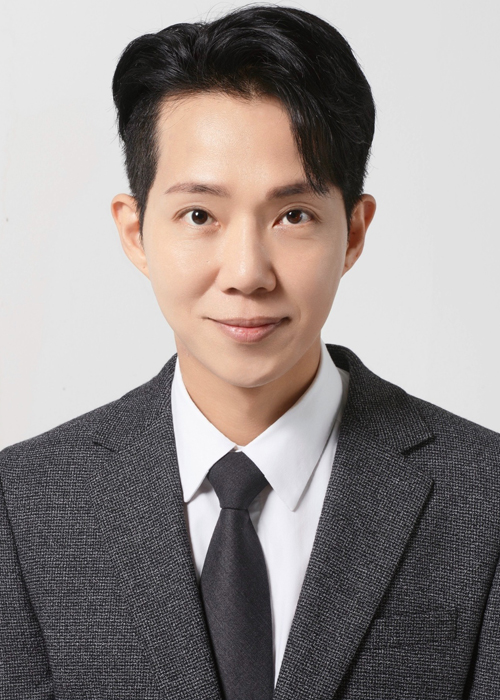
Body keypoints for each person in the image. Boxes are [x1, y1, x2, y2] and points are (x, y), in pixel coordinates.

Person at [1, 5, 499, 699]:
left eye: (293, 215)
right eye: (199, 215)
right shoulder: (24, 506)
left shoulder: (483, 495)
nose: (246, 273)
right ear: (136, 232)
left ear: (354, 233)